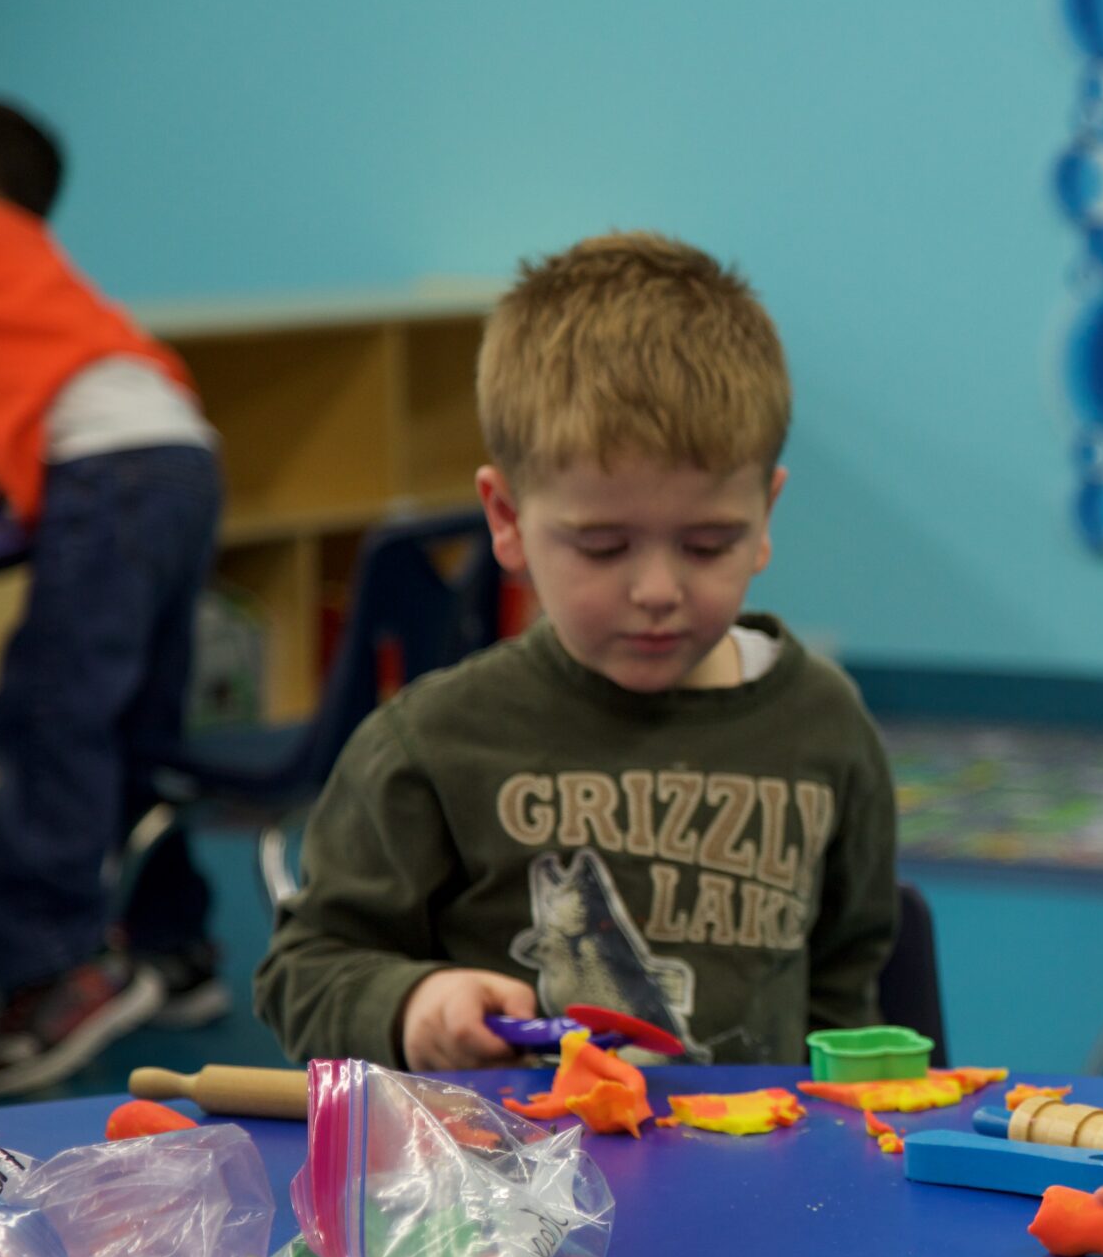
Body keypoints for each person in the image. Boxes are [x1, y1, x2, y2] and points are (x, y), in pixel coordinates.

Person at [254, 232, 897, 1070]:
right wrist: (414, 1003)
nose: (658, 589)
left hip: (756, 1179)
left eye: (708, 544)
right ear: (508, 518)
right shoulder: (435, 741)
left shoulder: (823, 724)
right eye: (602, 547)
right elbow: (303, 971)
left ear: (765, 515)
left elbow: (848, 979)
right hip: (514, 1184)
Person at [0, 95, 223, 1096]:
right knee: (137, 719)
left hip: (107, 470)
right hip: (175, 452)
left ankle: (52, 976)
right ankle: (173, 945)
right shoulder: (21, 262)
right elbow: (23, 411)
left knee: (50, 719)